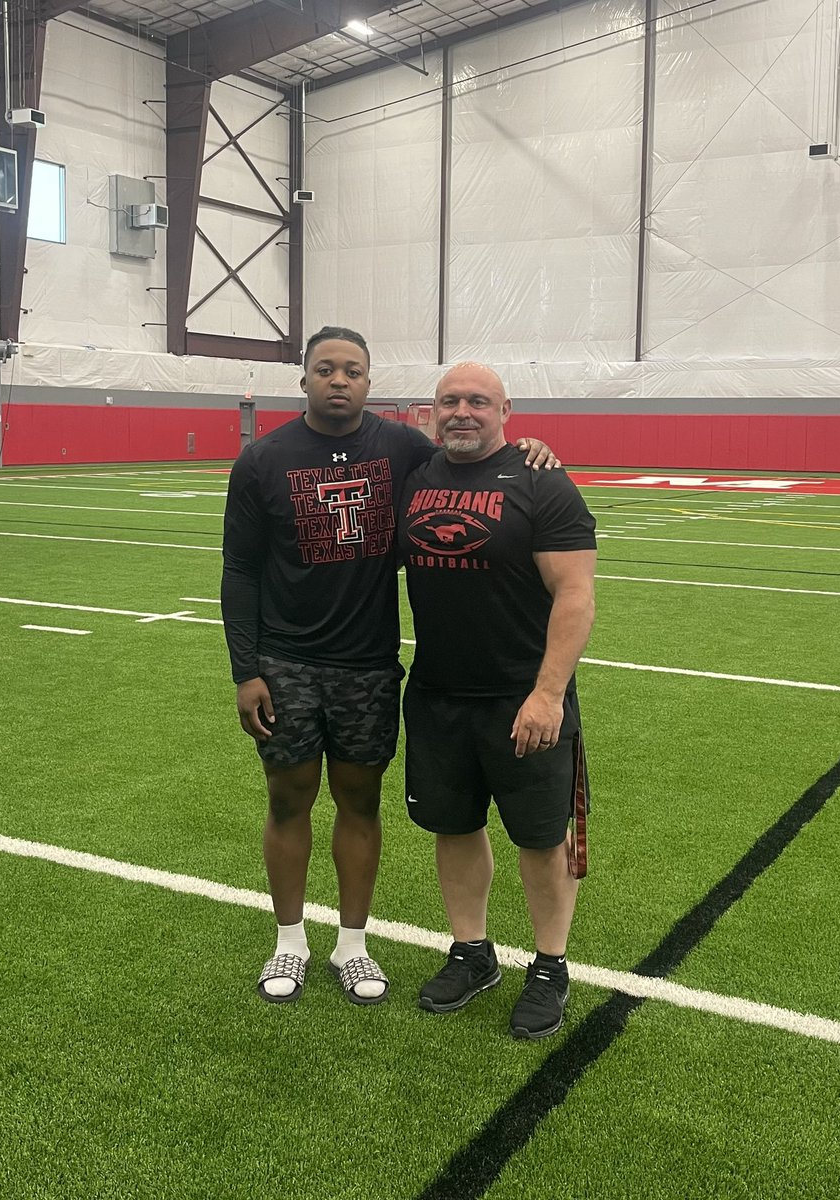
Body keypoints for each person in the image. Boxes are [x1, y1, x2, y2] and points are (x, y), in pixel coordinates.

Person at [221, 327, 556, 1006]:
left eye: (352, 370)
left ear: (369, 382)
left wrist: (527, 450)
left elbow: (472, 458)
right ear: (305, 379)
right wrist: (245, 669)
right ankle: (289, 942)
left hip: (368, 665)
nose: (338, 380)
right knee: (287, 801)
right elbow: (240, 569)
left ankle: (352, 945)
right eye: (325, 369)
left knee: (360, 802)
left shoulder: (403, 448)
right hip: (285, 662)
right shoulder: (262, 460)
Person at [397, 361, 597, 1039]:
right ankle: (472, 952)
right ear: (430, 412)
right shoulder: (415, 477)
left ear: (505, 411)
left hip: (523, 698)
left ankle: (549, 965)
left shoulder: (543, 480)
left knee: (542, 839)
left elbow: (575, 595)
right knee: (453, 826)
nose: (462, 411)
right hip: (437, 694)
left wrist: (548, 694)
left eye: (477, 401)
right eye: (449, 400)